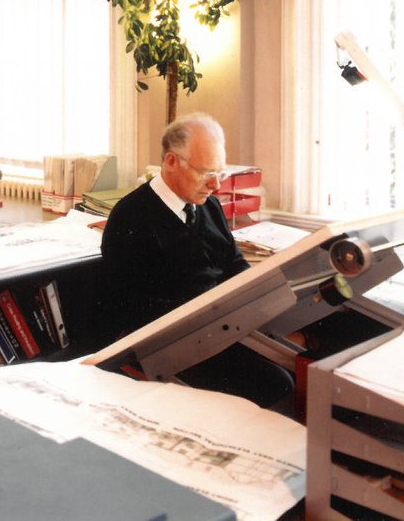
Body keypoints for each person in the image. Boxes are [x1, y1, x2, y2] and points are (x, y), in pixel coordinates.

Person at [98, 112, 292, 408]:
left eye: (220, 173)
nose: (215, 185)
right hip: (172, 343)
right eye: (205, 173)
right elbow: (132, 308)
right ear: (171, 162)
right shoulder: (131, 217)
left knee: (306, 354)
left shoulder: (208, 205)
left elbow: (235, 267)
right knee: (277, 382)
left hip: (222, 326)